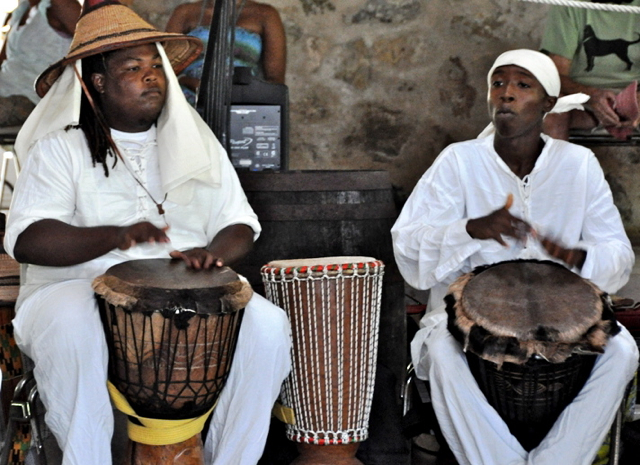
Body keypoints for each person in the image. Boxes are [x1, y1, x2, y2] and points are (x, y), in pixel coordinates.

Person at [3, 1, 291, 464]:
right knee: (73, 318)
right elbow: (29, 238)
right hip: (74, 288)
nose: (152, 75)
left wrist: (212, 254)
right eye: (134, 67)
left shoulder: (195, 143)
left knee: (268, 325)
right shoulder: (60, 149)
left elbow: (240, 222)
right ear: (97, 81)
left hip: (189, 296)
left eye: (156, 65)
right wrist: (115, 236)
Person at [391, 49, 639, 465]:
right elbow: (408, 246)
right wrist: (470, 229)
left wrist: (577, 255)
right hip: (464, 314)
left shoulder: (578, 165)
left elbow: (617, 256)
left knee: (623, 351)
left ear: (548, 104)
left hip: (567, 315)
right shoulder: (459, 161)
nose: (506, 94)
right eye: (498, 83)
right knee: (441, 351)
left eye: (523, 85)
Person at [540, 0, 640, 140]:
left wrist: (635, 101)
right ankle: (554, 161)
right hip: (583, 99)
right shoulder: (569, 4)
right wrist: (591, 95)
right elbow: (555, 75)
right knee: (552, 110)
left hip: (634, 93)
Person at [166, 0, 286, 106]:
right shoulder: (185, 12)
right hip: (189, 102)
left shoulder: (265, 14)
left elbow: (275, 81)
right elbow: (166, 69)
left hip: (241, 103)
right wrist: (188, 82)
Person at [0, 0, 80, 127]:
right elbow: (4, 59)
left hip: (33, 99)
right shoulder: (22, 9)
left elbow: (94, 43)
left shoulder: (60, 5)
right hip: (4, 89)